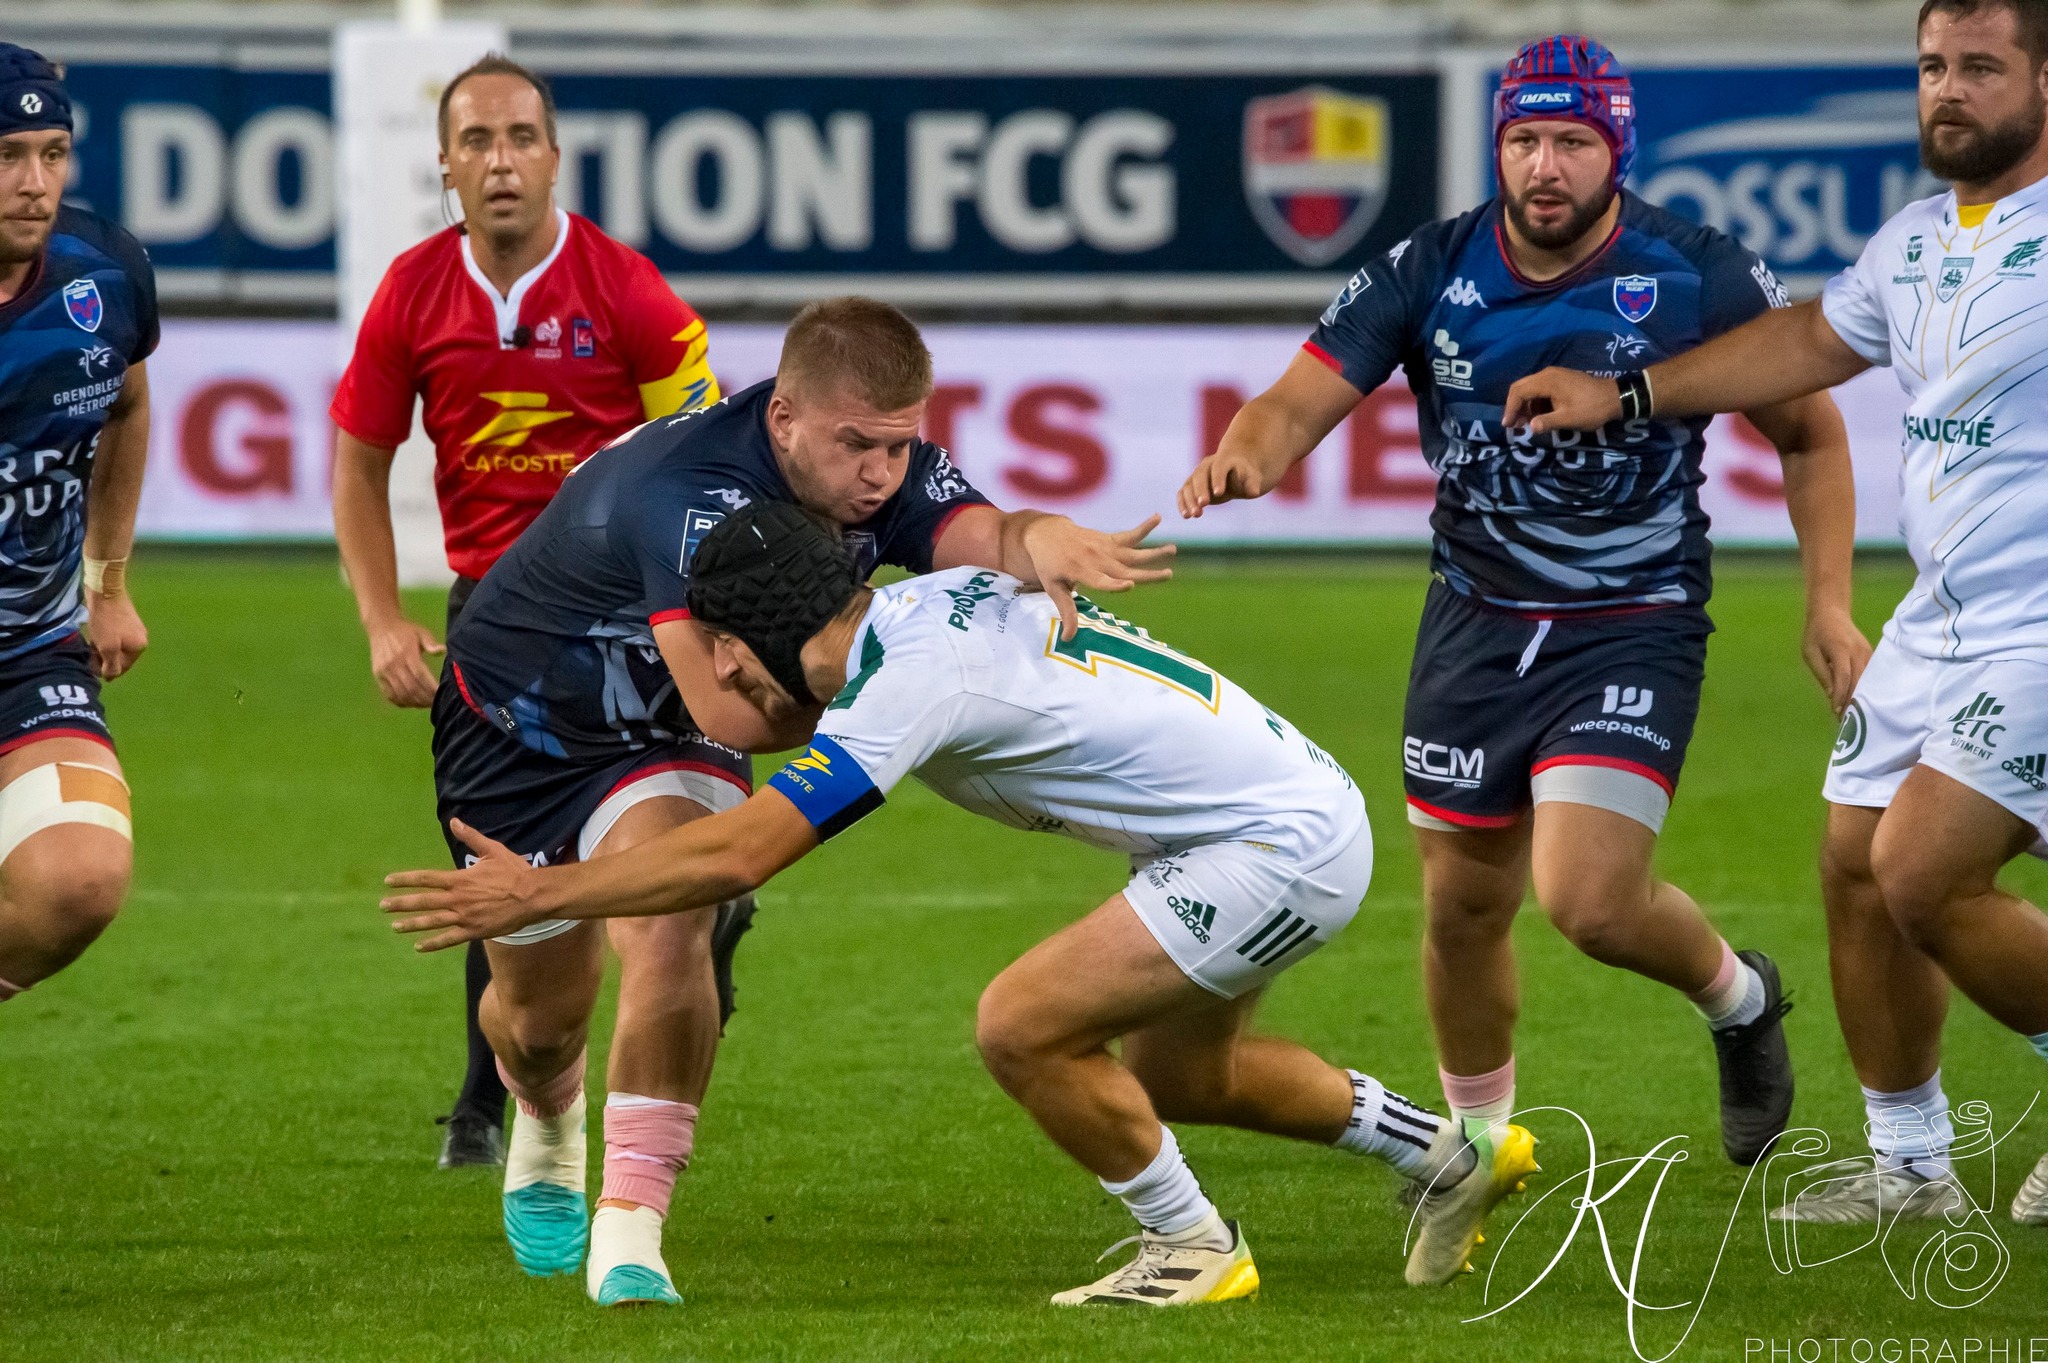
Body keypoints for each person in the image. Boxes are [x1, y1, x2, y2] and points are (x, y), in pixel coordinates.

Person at [382, 501, 1541, 1301]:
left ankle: (1187, 1243)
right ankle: (1446, 1155)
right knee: (1184, 1078)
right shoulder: (926, 609)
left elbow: (738, 856)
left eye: (727, 653)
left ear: (768, 638)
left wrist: (545, 891)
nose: (721, 682)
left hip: (1266, 846)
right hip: (1275, 813)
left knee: (1021, 1025)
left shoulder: (901, 690)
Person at [397, 296, 1177, 1306]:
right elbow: (729, 704)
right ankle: (546, 1113)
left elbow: (975, 528)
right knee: (538, 1022)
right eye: (858, 446)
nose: (880, 476)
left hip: (664, 732)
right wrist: (907, 708)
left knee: (679, 916)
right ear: (784, 420)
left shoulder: (873, 466)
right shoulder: (683, 493)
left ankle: (629, 1229)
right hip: (518, 728)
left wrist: (1039, 537)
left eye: (898, 449)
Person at [1179, 35, 1867, 1173]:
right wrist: (1246, 455)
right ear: (1496, 144)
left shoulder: (1694, 270)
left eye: (1570, 141)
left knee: (1588, 901)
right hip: (1474, 623)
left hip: (1631, 618)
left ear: (1615, 149)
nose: (1543, 165)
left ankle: (1739, 999)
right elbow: (1291, 400)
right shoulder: (1427, 265)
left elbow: (1810, 430)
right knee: (1460, 908)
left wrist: (1827, 605)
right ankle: (1477, 1147)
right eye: (1522, 140)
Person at [1503, 0, 2048, 1225]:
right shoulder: (1914, 241)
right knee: (1852, 867)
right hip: (1940, 614)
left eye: (1977, 66)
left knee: (1922, 871)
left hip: (2040, 625)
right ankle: (1912, 1169)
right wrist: (1628, 392)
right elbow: (1806, 338)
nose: (1945, 91)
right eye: (1928, 67)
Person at [329, 54, 724, 1171]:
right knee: (502, 874)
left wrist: (696, 626)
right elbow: (360, 469)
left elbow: (697, 469)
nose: (500, 161)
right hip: (494, 632)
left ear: (554, 157)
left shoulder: (631, 294)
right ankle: (494, 1098)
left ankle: (626, 1163)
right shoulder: (412, 292)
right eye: (475, 143)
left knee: (680, 899)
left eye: (520, 138)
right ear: (446, 168)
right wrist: (379, 618)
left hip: (635, 624)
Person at [0, 46, 154, 1012]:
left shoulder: (106, 272)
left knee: (82, 877)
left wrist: (108, 580)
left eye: (53, 153)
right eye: (9, 154)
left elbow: (128, 407)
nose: (34, 184)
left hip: (31, 644)